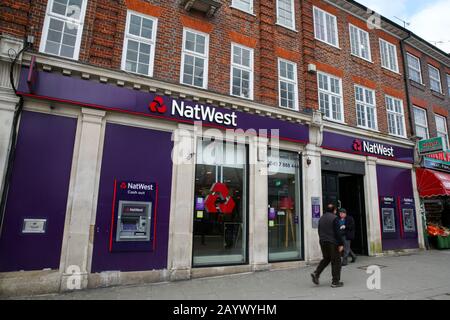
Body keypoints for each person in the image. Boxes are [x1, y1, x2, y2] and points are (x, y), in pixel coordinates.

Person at [311, 203, 345, 288]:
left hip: (323, 241)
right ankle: (335, 282)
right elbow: (338, 232)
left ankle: (316, 273)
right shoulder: (335, 218)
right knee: (336, 261)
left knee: (326, 258)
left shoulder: (321, 218)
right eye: (335, 210)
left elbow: (319, 231)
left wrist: (322, 239)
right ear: (334, 210)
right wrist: (341, 244)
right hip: (332, 243)